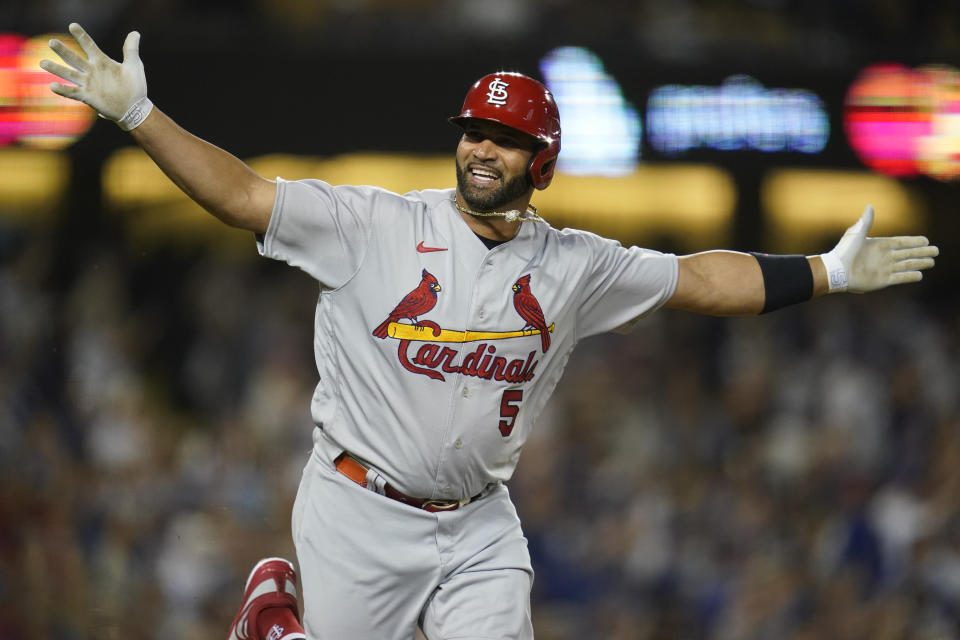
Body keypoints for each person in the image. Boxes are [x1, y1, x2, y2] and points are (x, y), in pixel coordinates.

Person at [42, 23, 938, 640]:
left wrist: (824, 271)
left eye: (504, 138)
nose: (481, 148)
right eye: (474, 130)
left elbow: (701, 279)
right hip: (358, 508)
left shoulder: (574, 263)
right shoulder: (373, 225)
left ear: (540, 162)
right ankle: (279, 620)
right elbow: (239, 195)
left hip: (478, 527)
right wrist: (137, 117)